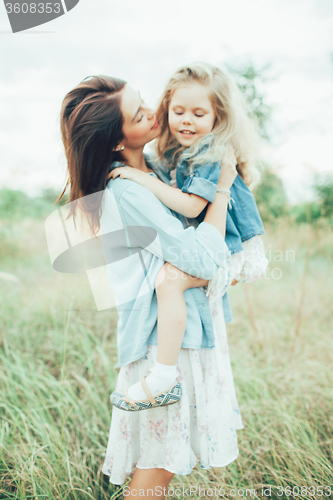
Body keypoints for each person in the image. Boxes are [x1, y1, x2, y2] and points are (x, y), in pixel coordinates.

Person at [57, 73, 251, 496]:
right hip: (163, 349)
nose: (155, 114)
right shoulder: (129, 190)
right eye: (140, 113)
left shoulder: (162, 168)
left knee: (161, 471)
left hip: (188, 337)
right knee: (155, 473)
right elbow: (202, 258)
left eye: (146, 102)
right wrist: (220, 190)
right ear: (115, 139)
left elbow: (212, 263)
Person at [108, 63, 268, 406]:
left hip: (233, 250)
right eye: (178, 111)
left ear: (217, 117)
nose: (186, 121)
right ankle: (166, 376)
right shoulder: (179, 154)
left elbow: (193, 208)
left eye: (198, 113)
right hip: (220, 246)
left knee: (168, 281)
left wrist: (144, 179)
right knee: (169, 281)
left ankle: (164, 376)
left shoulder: (210, 152)